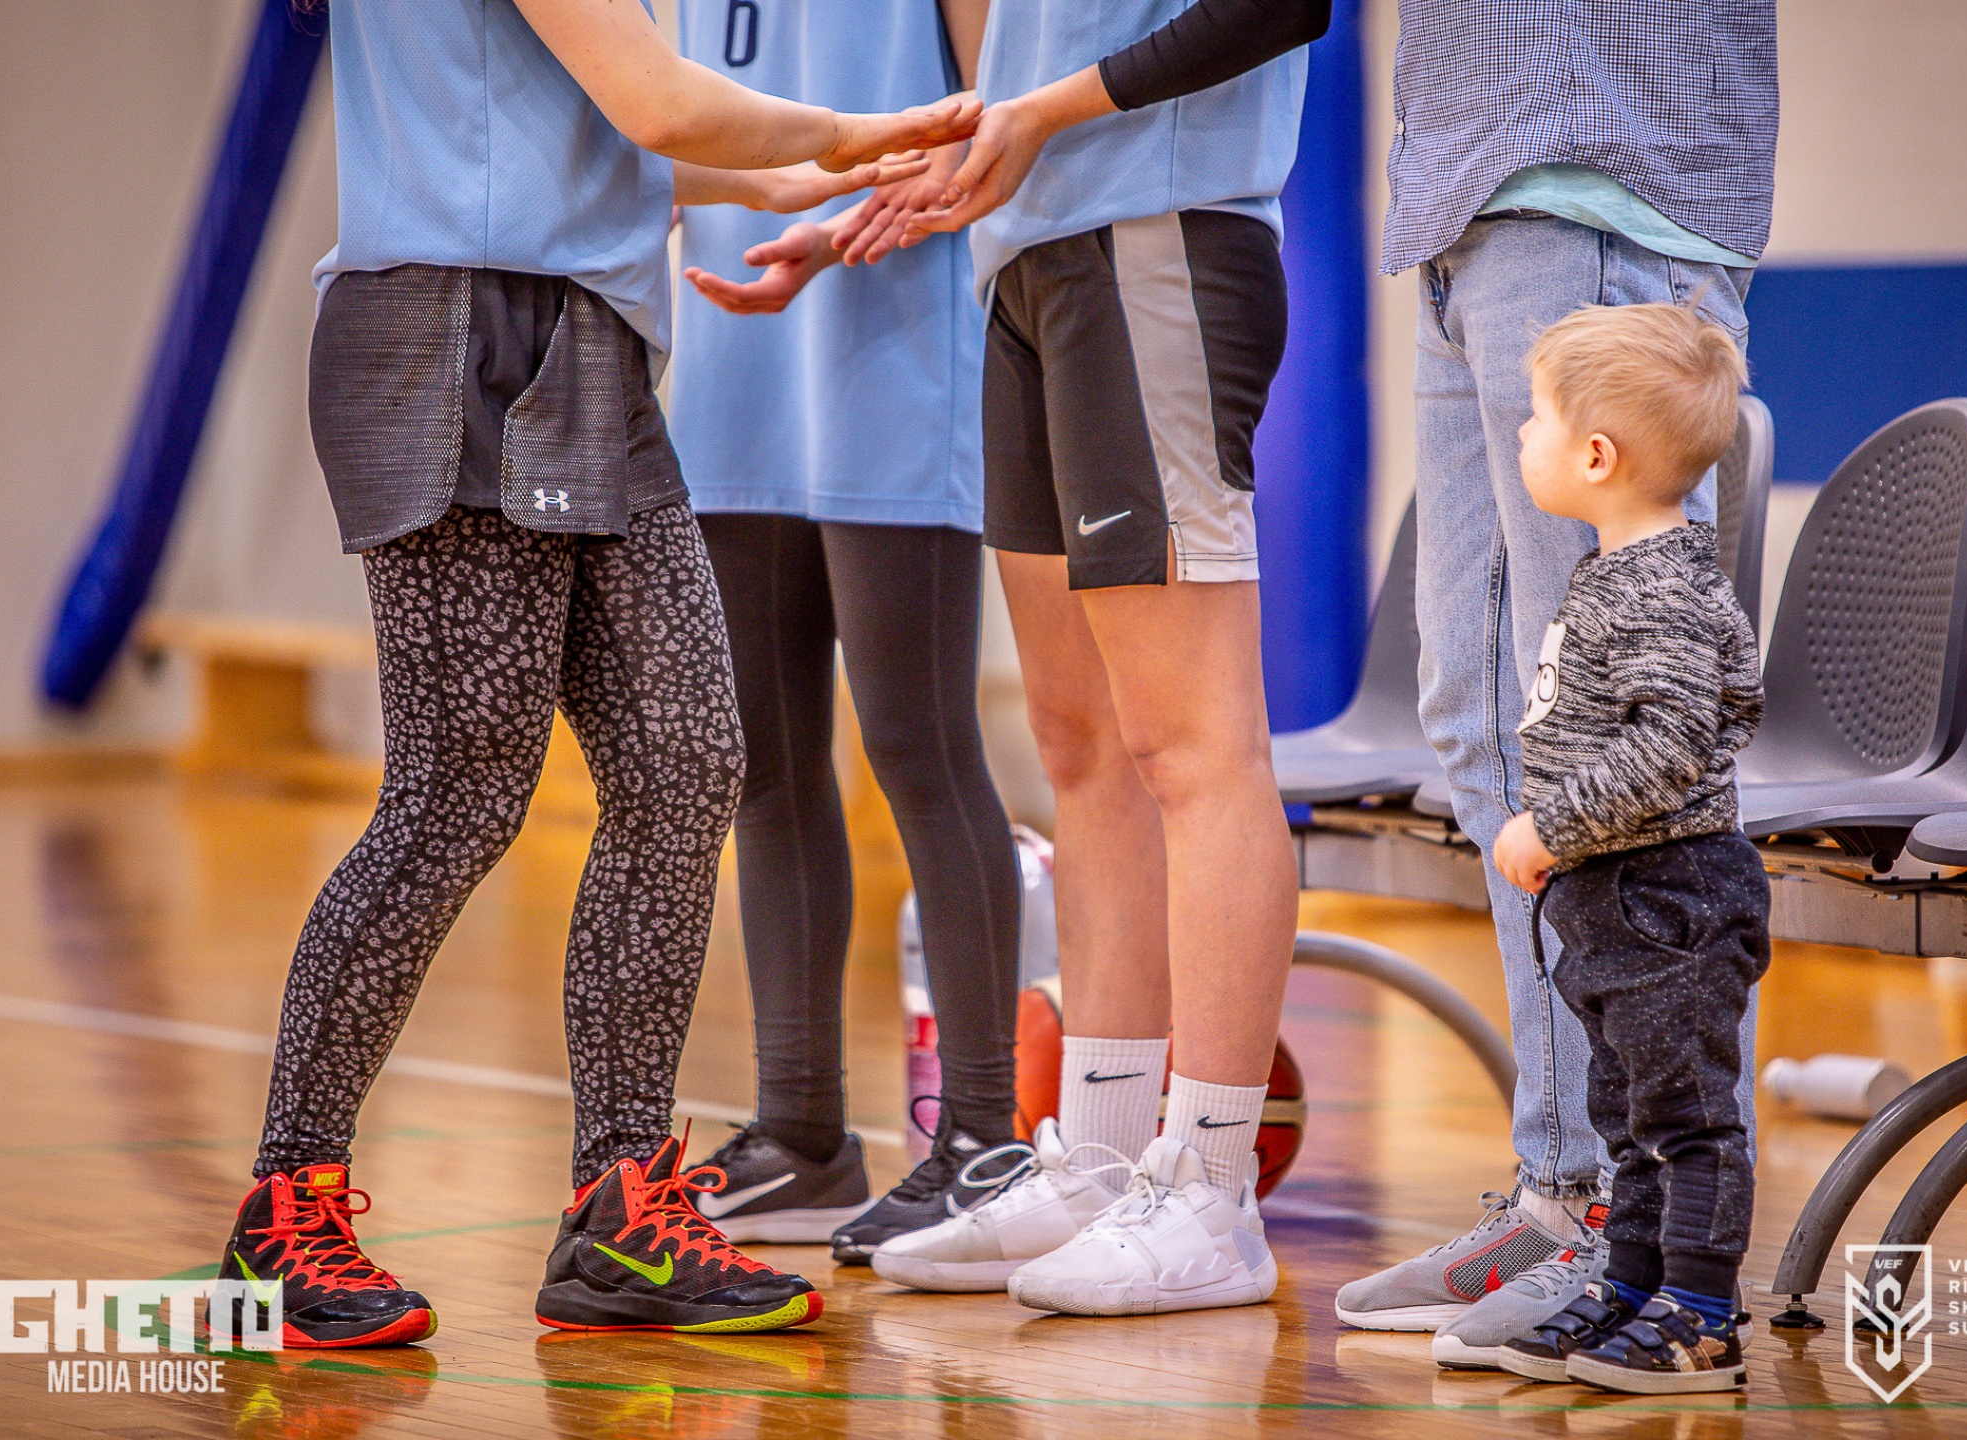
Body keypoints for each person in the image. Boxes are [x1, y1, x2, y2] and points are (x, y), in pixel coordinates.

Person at [216, 0, 976, 1346]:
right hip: (457, 329)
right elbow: (659, 103)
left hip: (581, 339)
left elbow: (581, 133)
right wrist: (849, 131)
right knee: (457, 798)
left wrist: (792, 174)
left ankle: (619, 1209)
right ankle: (285, 1214)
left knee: (686, 766)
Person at [845, 0, 1332, 1316]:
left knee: (1192, 745)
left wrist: (1041, 111)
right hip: (1025, 257)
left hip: (1156, 228)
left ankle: (1211, 1190)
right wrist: (976, 133)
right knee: (1080, 744)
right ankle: (1105, 1164)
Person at [1334, 1, 1777, 1355]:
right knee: (1479, 725)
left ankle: (1665, 1251)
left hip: (1600, 180)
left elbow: (1677, 739)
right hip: (1459, 211)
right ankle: (1566, 1190)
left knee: (1607, 750)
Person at [664, 0, 1033, 1265]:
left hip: (896, 329)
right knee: (760, 764)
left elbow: (998, 122)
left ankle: (983, 1137)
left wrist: (855, 222)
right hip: (733, 355)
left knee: (919, 747)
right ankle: (801, 1133)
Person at [1487, 302, 1768, 1394]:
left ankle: (1701, 1316)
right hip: (1617, 896)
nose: (1521, 435)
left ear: (1595, 456)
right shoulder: (1620, 572)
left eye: (1535, 418)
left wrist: (1550, 825)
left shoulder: (1659, 588)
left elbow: (1669, 744)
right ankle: (1636, 1286)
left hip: (1669, 894)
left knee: (1686, 1118)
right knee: (1632, 1114)